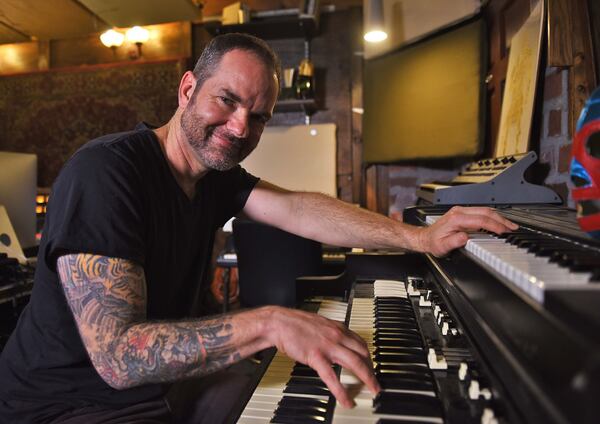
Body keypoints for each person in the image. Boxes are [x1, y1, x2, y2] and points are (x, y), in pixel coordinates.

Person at [0, 33, 517, 424]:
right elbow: (118, 360)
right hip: (65, 406)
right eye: (226, 100)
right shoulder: (107, 173)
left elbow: (298, 208)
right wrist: (269, 322)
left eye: (259, 115)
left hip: (148, 392)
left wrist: (418, 238)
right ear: (187, 88)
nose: (240, 128)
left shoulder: (213, 177)